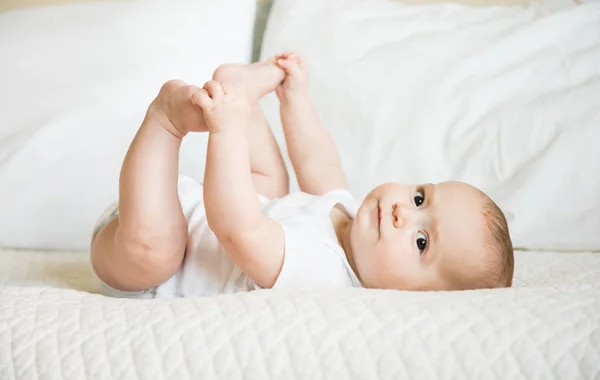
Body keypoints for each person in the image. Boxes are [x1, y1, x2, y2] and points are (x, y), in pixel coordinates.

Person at [90, 52, 514, 299]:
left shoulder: (323, 277)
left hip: (143, 245)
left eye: (422, 242)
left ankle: (164, 121)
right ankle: (240, 91)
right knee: (273, 185)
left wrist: (228, 131)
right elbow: (319, 162)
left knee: (156, 251)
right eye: (421, 198)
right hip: (183, 206)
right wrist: (295, 100)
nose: (404, 212)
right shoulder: (348, 216)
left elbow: (237, 228)